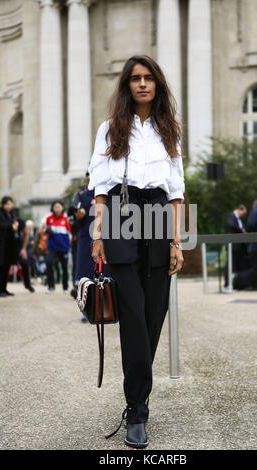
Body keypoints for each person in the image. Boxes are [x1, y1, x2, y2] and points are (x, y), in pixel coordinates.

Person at [88, 55, 185, 449]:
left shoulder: (169, 130)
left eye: (149, 79)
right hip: (122, 212)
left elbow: (177, 188)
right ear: (127, 86)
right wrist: (98, 233)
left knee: (153, 312)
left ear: (157, 85)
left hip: (159, 213)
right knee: (131, 313)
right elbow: (99, 183)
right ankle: (137, 410)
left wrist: (177, 241)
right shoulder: (111, 128)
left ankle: (137, 396)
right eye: (135, 79)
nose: (142, 84)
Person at [44, 200, 71, 293]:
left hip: (63, 247)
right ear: (52, 208)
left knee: (64, 267)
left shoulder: (66, 219)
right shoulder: (49, 219)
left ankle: (65, 287)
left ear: (62, 208)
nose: (57, 209)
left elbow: (69, 233)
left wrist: (68, 246)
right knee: (49, 264)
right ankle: (51, 286)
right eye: (55, 207)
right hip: (51, 247)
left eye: (59, 207)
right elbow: (45, 231)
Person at [0, 196, 18, 297]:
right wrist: (10, 225)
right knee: (1, 269)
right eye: (7, 204)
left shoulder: (12, 214)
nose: (8, 206)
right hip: (0, 246)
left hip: (9, 245)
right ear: (3, 205)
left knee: (7, 268)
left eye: (10, 204)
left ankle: (4, 288)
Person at [224, 204, 248, 287]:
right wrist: (242, 230)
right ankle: (227, 283)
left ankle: (237, 283)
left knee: (237, 265)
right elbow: (231, 225)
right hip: (233, 246)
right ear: (240, 209)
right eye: (243, 213)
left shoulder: (238, 219)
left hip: (239, 247)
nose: (243, 215)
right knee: (230, 264)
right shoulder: (231, 216)